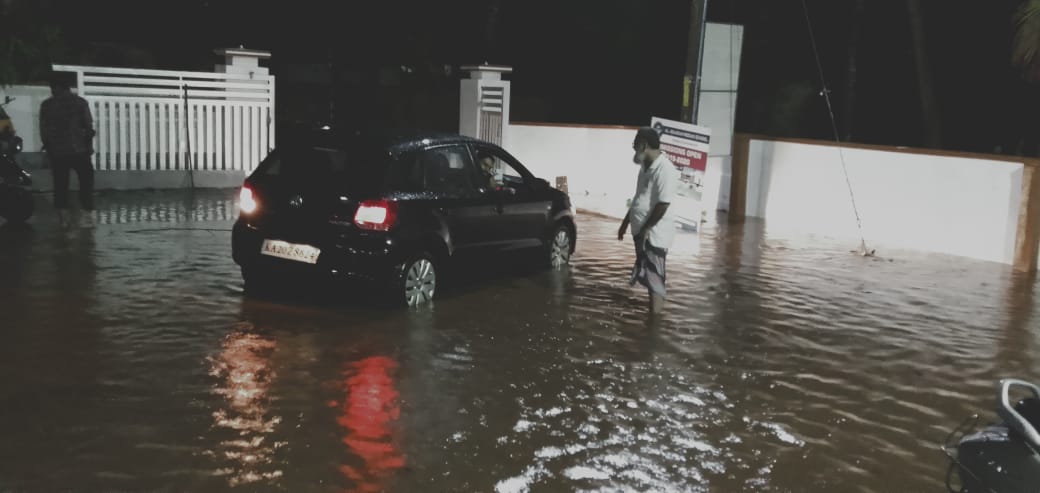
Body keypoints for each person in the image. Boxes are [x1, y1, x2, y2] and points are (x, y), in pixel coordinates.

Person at [617, 127, 679, 315]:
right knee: (649, 276)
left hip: (654, 236)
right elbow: (639, 198)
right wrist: (625, 223)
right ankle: (652, 318)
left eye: (635, 143)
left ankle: (655, 322)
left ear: (643, 145)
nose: (633, 147)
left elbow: (663, 204)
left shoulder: (665, 169)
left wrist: (646, 228)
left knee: (655, 280)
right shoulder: (645, 168)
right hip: (642, 234)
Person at [40, 73, 96, 228]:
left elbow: (43, 131)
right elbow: (89, 128)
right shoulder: (80, 103)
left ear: (58, 87)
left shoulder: (47, 105)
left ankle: (64, 218)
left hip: (58, 152)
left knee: (60, 185)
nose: (51, 90)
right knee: (86, 183)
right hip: (80, 150)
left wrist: (48, 148)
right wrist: (89, 146)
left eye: (52, 87)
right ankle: (87, 215)